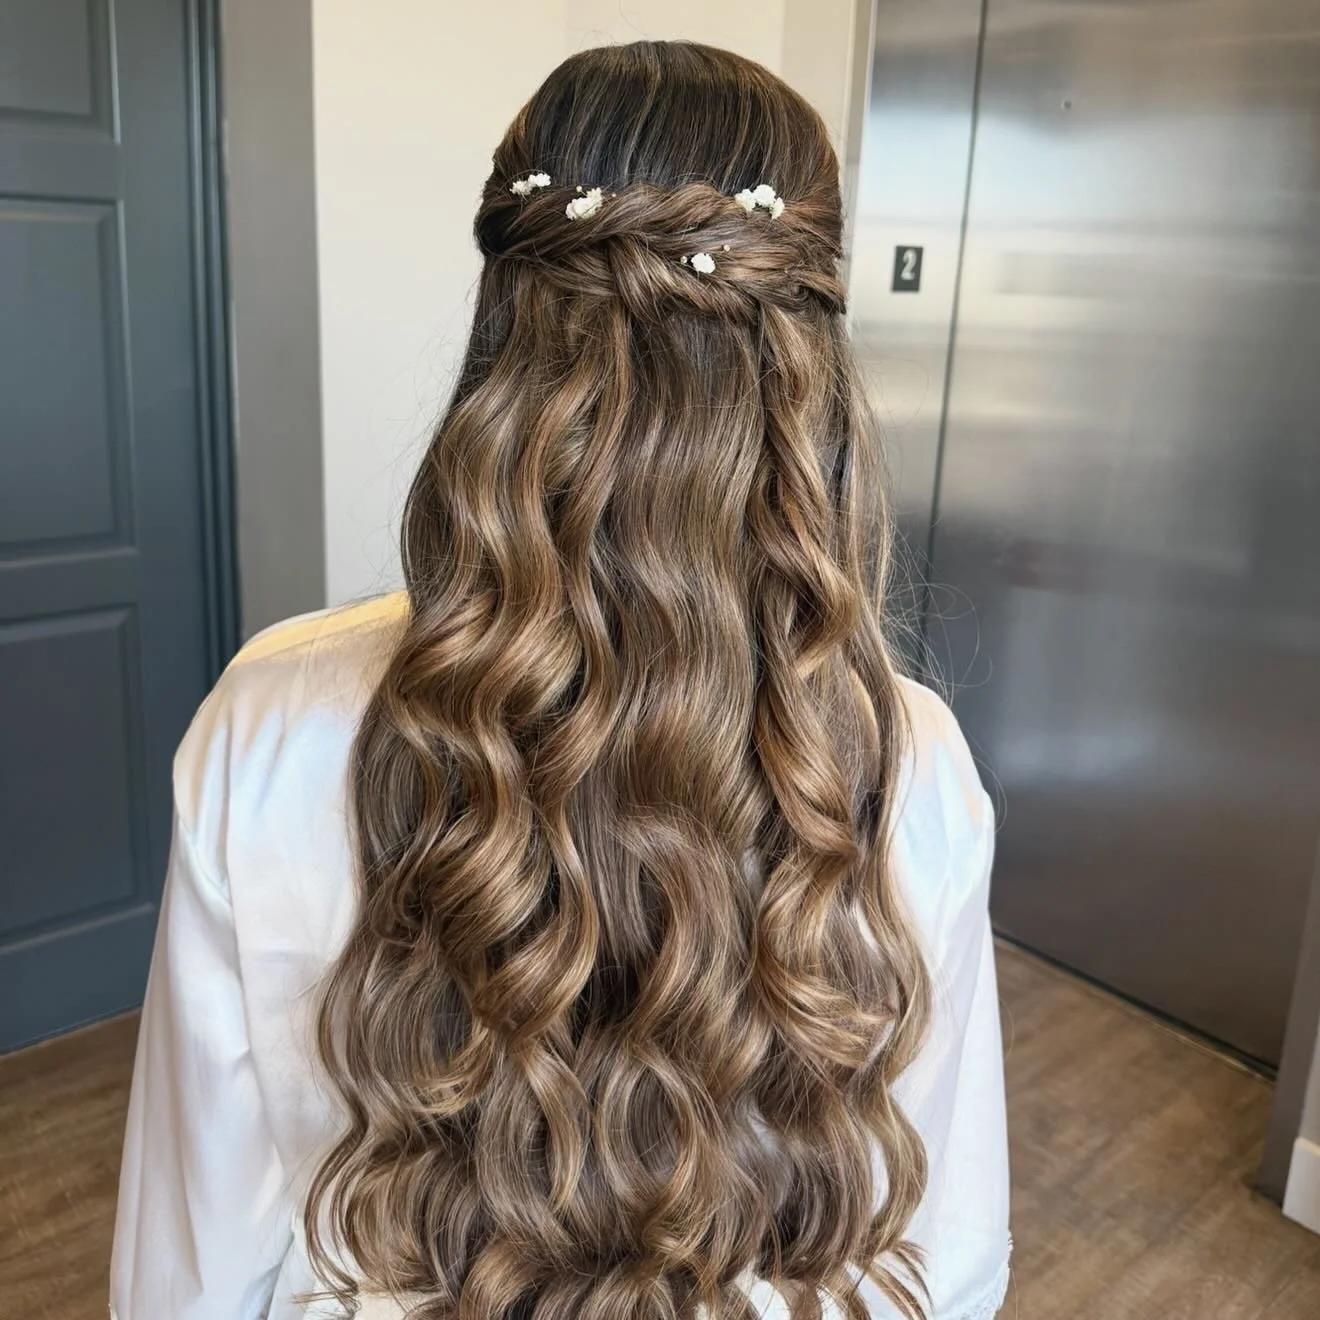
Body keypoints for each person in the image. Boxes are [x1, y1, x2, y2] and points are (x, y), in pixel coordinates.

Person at [110, 41, 1009, 1320]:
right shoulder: (901, 765)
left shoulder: (270, 724)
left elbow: (187, 1266)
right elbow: (951, 1257)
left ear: (504, 330)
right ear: (812, 363)